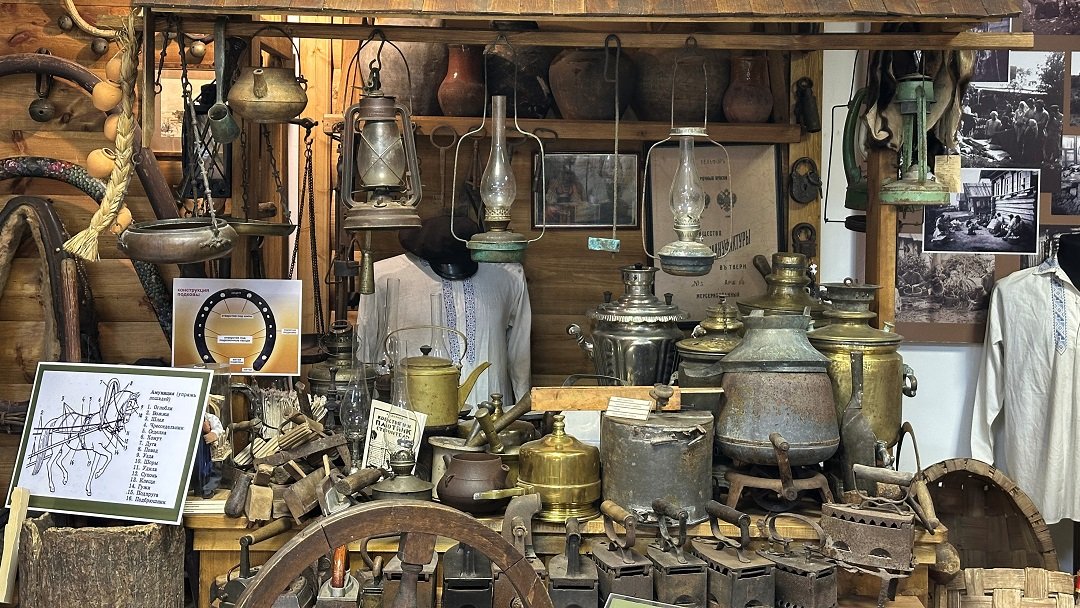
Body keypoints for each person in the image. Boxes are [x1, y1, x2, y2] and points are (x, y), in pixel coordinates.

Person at [357, 214, 532, 407]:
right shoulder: (381, 275)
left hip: (491, 406)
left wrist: (523, 408)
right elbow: (366, 347)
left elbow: (520, 351)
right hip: (412, 409)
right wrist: (364, 404)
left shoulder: (508, 276)